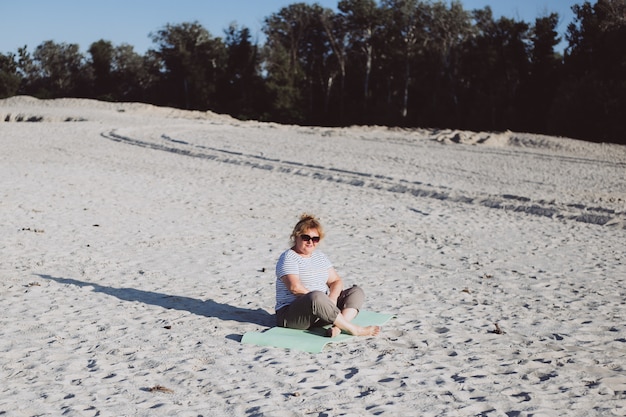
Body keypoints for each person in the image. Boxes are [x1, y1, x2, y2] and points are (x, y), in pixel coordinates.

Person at [275, 213, 381, 338]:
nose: (310, 242)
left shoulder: (319, 256)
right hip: (293, 315)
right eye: (306, 238)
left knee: (356, 292)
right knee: (316, 296)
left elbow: (335, 281)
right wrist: (322, 302)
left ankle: (338, 327)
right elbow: (295, 288)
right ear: (296, 236)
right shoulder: (288, 258)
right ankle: (354, 329)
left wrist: (332, 298)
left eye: (315, 239)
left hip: (322, 309)